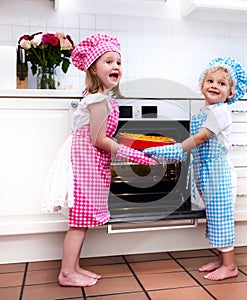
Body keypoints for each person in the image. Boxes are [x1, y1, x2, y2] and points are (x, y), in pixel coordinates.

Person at [42, 33, 157, 287]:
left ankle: (74, 267)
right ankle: (66, 273)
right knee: (78, 222)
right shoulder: (97, 100)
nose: (116, 66)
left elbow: (104, 137)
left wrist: (136, 147)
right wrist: (135, 156)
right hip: (84, 166)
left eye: (118, 62)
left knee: (82, 220)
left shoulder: (105, 99)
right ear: (94, 68)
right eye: (108, 61)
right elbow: (100, 141)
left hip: (91, 165)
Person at [143, 57, 247, 281]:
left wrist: (172, 150)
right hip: (207, 173)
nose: (214, 85)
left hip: (219, 175)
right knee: (213, 216)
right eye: (210, 80)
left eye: (221, 83)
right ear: (201, 85)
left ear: (230, 93)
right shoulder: (206, 111)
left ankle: (230, 266)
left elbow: (200, 138)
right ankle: (221, 259)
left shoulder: (220, 112)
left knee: (221, 218)